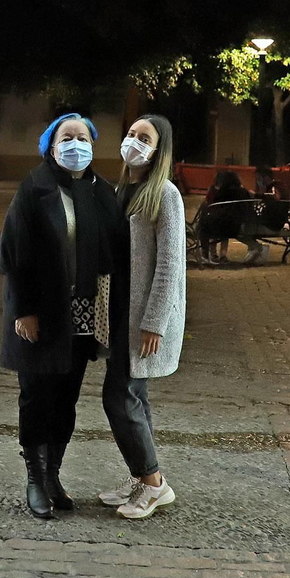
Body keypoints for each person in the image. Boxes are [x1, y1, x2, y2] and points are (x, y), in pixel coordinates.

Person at [0, 112, 126, 519]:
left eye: (82, 137)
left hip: (84, 315)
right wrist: (24, 310)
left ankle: (54, 474)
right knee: (35, 396)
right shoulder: (34, 188)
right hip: (40, 312)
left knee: (66, 399)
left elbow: (116, 252)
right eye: (66, 137)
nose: (75, 144)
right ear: (51, 146)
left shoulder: (102, 192)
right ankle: (34, 479)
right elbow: (13, 255)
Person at [101, 114, 186, 519]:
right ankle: (142, 477)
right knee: (136, 396)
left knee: (119, 397)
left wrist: (155, 321)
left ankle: (154, 484)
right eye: (131, 134)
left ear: (158, 150)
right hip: (119, 310)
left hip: (142, 318)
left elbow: (170, 264)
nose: (133, 141)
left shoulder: (164, 194)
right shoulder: (124, 189)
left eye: (144, 137)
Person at [198, 169, 268, 265]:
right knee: (215, 222)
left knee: (204, 225)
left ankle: (205, 255)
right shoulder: (243, 192)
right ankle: (220, 255)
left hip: (227, 227)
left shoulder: (223, 191)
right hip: (239, 225)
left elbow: (214, 207)